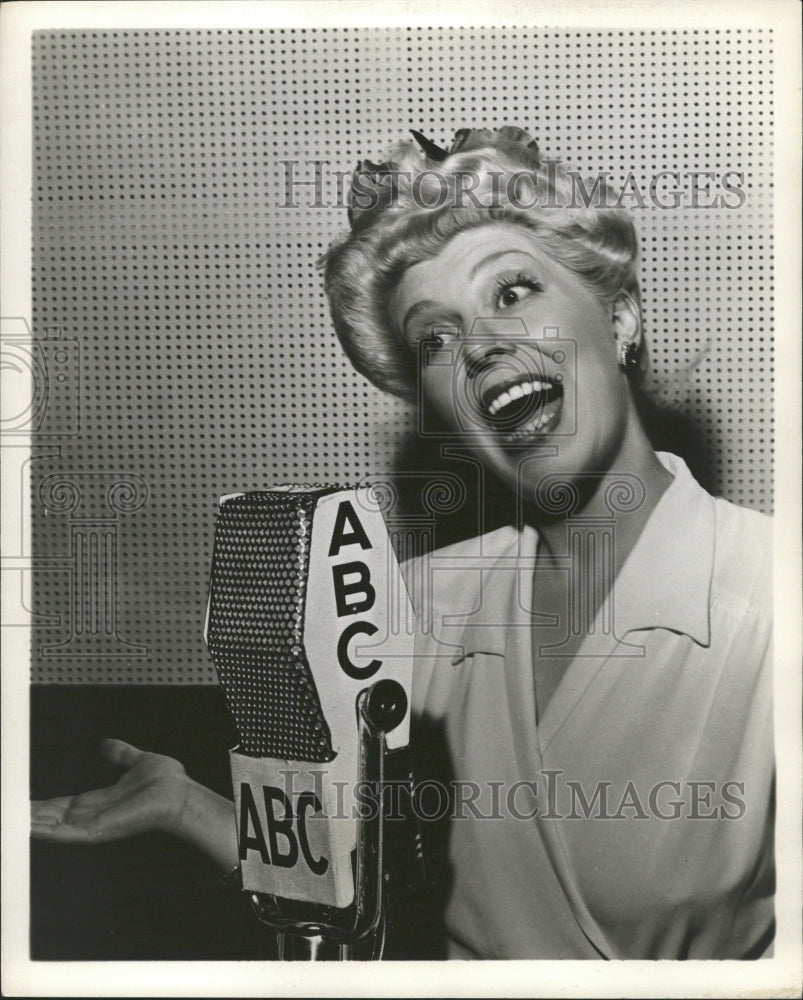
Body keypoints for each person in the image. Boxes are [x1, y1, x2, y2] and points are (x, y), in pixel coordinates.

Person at [31, 126, 774, 960]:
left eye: (513, 290)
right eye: (435, 338)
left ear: (621, 318)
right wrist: (194, 808)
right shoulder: (405, 601)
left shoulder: (775, 600)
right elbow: (346, 883)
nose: (482, 346)